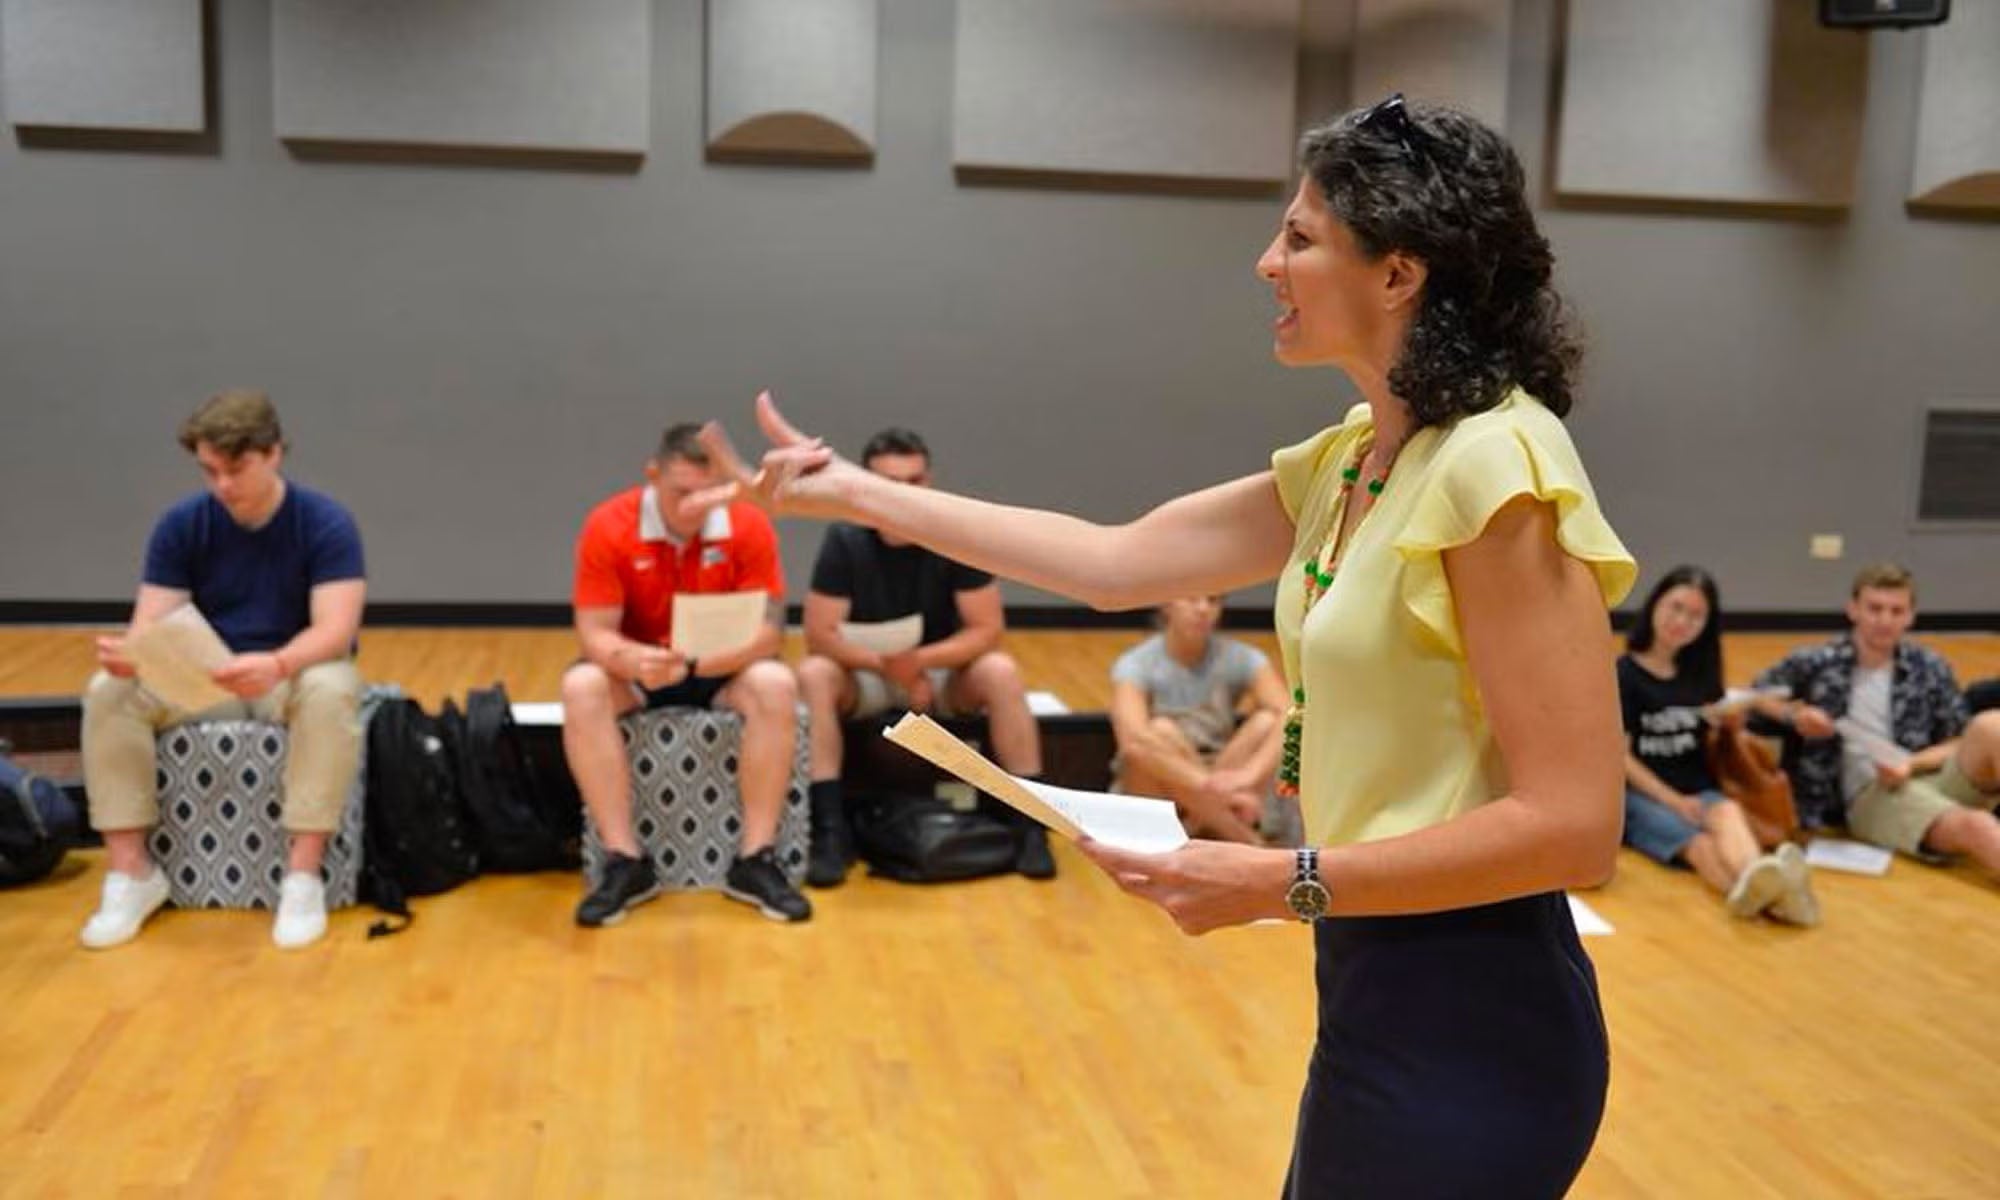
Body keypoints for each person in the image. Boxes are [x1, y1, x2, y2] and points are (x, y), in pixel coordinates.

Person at [705, 95, 1633, 1196]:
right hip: (1371, 987)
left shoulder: (1496, 467)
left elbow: (1575, 826)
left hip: (1477, 1016)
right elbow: (1112, 562)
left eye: (1299, 238)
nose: (1266, 263)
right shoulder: (1357, 458)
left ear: (1398, 273)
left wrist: (1281, 880)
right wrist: (856, 494)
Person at [81, 390, 366, 950]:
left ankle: (303, 877)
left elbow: (335, 630)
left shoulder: (325, 523)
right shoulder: (182, 524)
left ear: (274, 453)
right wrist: (130, 655)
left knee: (332, 688)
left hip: (286, 674)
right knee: (108, 691)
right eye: (210, 471)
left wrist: (278, 663)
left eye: (236, 470)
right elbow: (150, 623)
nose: (223, 485)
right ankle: (132, 874)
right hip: (209, 681)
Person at [562, 423, 812, 927]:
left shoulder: (748, 523)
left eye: (709, 493)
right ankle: (624, 860)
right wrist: (633, 660)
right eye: (682, 493)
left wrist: (697, 665)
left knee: (777, 684)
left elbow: (770, 633)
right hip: (641, 669)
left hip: (718, 668)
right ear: (652, 475)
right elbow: (595, 632)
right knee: (581, 686)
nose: (695, 506)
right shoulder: (609, 524)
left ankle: (756, 857)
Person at [795, 428, 1053, 886]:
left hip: (939, 673)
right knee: (814, 674)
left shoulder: (955, 535)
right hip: (869, 671)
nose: (903, 493)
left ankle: (1031, 825)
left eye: (913, 481)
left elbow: (987, 629)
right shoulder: (845, 539)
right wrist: (887, 666)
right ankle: (828, 830)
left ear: (928, 481)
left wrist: (919, 663)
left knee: (1001, 670)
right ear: (867, 485)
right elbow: (819, 635)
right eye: (890, 483)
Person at [1754, 564, 2000, 877]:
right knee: (1978, 826)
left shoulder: (1929, 666)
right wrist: (1794, 715)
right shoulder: (1818, 661)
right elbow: (1755, 694)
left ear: (1910, 616)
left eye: (1896, 611)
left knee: (1991, 725)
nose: (1885, 621)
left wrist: (1910, 764)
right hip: (1872, 794)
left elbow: (1956, 740)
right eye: (1875, 609)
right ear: (1853, 610)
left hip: (1921, 773)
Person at [1618, 567, 1817, 924]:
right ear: (1655, 605)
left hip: (1699, 787)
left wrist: (1728, 723)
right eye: (1676, 607)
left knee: (1728, 814)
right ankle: (1779, 903)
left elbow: (1718, 719)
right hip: (1644, 795)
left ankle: (1764, 891)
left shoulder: (1699, 673)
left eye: (1696, 616)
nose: (1682, 621)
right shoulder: (1625, 674)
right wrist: (1673, 801)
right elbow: (1621, 757)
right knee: (1699, 846)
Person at [1109, 595, 1295, 845]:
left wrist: (1249, 774)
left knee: (1268, 722)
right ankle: (1248, 841)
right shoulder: (1136, 663)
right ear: (1166, 604)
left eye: (1213, 600)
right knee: (1160, 732)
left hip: (1221, 769)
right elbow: (1133, 742)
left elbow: (1289, 713)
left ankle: (1200, 823)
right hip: (1162, 782)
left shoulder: (1242, 656)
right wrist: (1211, 788)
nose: (1203, 609)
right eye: (1191, 599)